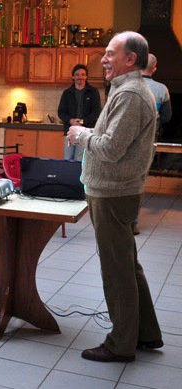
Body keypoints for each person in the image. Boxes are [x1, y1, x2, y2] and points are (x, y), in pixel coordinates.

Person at [67, 31, 163, 363]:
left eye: (110, 54)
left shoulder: (131, 96)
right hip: (116, 190)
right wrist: (92, 134)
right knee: (127, 265)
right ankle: (146, 332)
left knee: (116, 270)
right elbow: (111, 137)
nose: (104, 59)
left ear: (130, 59)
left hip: (112, 193)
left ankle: (121, 343)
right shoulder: (127, 91)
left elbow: (109, 149)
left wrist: (80, 135)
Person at [58, 64, 102, 161]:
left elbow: (97, 112)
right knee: (67, 159)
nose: (80, 77)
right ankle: (68, 177)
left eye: (83, 74)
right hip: (69, 132)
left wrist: (82, 121)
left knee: (80, 160)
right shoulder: (67, 93)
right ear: (73, 77)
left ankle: (77, 177)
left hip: (85, 132)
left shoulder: (93, 92)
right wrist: (70, 120)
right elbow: (60, 112)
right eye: (77, 75)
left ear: (86, 77)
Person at [141, 53, 172, 140]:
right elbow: (167, 116)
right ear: (154, 69)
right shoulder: (162, 89)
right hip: (151, 136)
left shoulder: (126, 85)